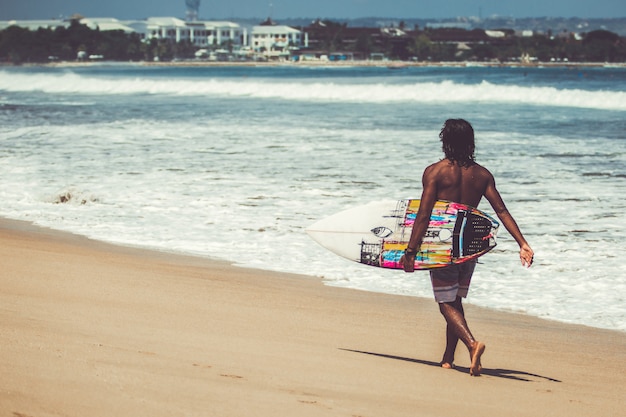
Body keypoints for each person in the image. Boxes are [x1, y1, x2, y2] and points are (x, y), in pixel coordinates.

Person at [400, 119, 534, 377]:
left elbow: (424, 215)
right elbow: (501, 211)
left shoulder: (435, 172)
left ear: (445, 141)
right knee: (455, 299)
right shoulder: (482, 175)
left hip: (442, 245)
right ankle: (448, 357)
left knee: (445, 302)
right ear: (470, 142)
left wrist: (410, 252)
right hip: (469, 246)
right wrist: (522, 243)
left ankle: (472, 345)